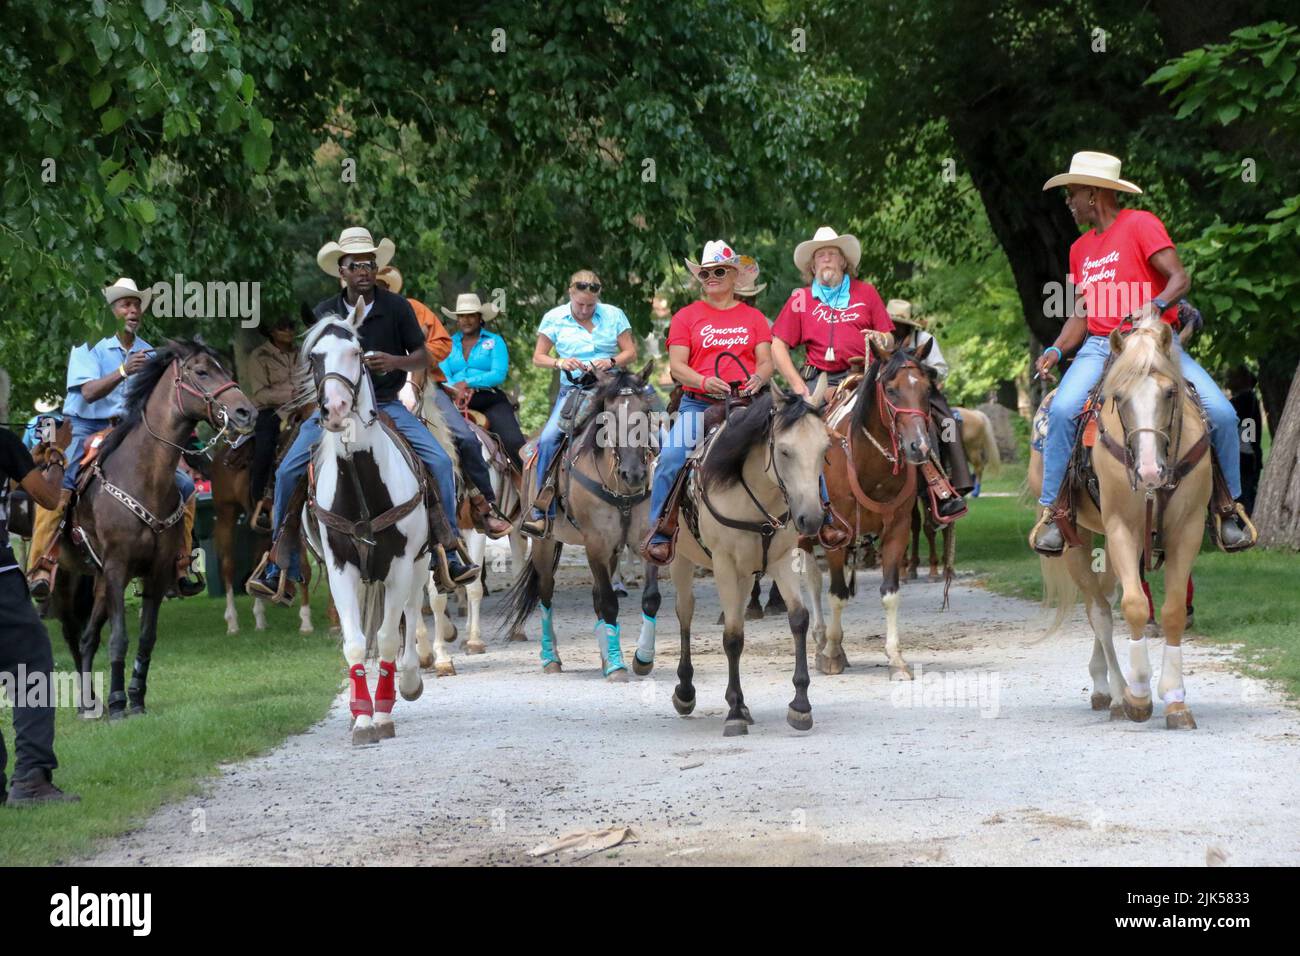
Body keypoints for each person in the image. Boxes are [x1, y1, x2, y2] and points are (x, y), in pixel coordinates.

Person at [1030, 151, 1255, 554]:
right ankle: (1055, 510)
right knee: (1063, 411)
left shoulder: (1141, 224)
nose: (1069, 202)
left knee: (1222, 413)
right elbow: (1082, 314)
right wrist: (1055, 349)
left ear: (1095, 194)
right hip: (1101, 345)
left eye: (1073, 194)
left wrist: (1155, 306)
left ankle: (1227, 508)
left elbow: (1179, 278)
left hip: (1153, 338)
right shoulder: (1080, 249)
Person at [247, 226, 478, 602]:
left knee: (438, 460)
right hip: (334, 411)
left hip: (386, 405)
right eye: (355, 265)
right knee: (288, 469)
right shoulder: (326, 311)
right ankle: (279, 562)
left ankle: (447, 549)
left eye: (369, 264)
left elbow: (423, 356)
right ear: (342, 270)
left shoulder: (397, 307)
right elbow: (315, 362)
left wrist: (395, 361)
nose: (364, 271)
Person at [27, 278, 202, 600]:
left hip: (130, 431)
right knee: (58, 487)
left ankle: (181, 563)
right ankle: (41, 563)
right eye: (126, 304)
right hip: (82, 426)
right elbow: (89, 393)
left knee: (186, 487)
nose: (133, 310)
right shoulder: (87, 344)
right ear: (111, 312)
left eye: (136, 305)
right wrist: (123, 371)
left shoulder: (148, 351)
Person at [639, 241, 776, 567]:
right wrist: (702, 381)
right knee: (670, 457)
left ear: (733, 276)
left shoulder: (754, 317)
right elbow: (677, 367)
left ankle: (819, 513)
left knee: (795, 441)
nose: (710, 277)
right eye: (705, 272)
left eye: (718, 271)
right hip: (699, 404)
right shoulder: (686, 316)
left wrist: (759, 377)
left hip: (747, 402)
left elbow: (767, 361)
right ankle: (660, 529)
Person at [377, 269, 511, 538]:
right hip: (372, 389)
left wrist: (413, 358)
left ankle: (484, 505)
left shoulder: (412, 309)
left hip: (425, 384)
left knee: (465, 437)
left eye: (381, 284)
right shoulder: (349, 316)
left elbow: (441, 343)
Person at [520, 269, 638, 538]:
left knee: (650, 425)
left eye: (590, 305)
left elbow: (631, 352)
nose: (585, 309)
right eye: (580, 304)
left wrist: (610, 361)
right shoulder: (553, 318)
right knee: (550, 438)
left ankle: (656, 500)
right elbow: (538, 357)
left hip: (612, 387)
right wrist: (560, 361)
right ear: (570, 294)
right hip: (575, 390)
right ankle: (542, 508)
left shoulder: (613, 314)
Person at [1, 426, 79, 805]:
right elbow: (48, 497)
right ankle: (31, 778)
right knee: (30, 666)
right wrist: (57, 455)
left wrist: (22, 462)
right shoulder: (2, 442)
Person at [769, 225, 895, 393]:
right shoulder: (801, 297)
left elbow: (890, 339)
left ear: (843, 262)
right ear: (813, 266)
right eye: (820, 255)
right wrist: (797, 385)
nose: (826, 259)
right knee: (792, 417)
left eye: (832, 254)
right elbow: (777, 345)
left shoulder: (867, 292)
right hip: (819, 382)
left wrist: (881, 339)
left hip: (865, 379)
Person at [886, 298, 975, 505]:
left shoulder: (923, 338)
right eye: (893, 323)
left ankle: (953, 475)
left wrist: (921, 372)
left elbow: (941, 368)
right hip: (891, 394)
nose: (896, 327)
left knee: (948, 423)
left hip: (923, 393)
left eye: (900, 324)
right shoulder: (883, 340)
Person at [438, 292, 528, 472]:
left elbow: (498, 374)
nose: (466, 320)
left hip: (489, 400)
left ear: (480, 318)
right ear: (457, 319)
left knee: (513, 442)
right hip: (454, 401)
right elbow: (443, 373)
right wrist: (454, 388)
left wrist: (466, 383)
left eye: (471, 315)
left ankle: (526, 488)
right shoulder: (447, 343)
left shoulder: (495, 341)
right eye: (462, 316)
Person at [245, 312, 298, 533]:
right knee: (265, 449)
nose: (288, 330)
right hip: (272, 412)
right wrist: (295, 393)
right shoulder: (259, 356)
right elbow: (261, 394)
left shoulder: (302, 353)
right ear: (271, 332)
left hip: (305, 409)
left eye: (290, 325)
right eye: (282, 326)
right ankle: (260, 503)